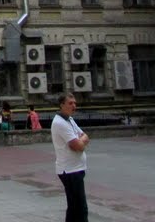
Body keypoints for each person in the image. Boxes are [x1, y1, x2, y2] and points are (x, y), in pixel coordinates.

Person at [51, 93, 90, 222]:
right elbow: (77, 145)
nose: (74, 106)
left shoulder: (69, 119)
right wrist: (81, 143)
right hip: (70, 170)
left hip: (75, 169)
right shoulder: (60, 123)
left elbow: (85, 136)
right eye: (70, 103)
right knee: (80, 208)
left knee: (74, 207)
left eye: (75, 103)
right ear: (62, 105)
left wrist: (81, 141)